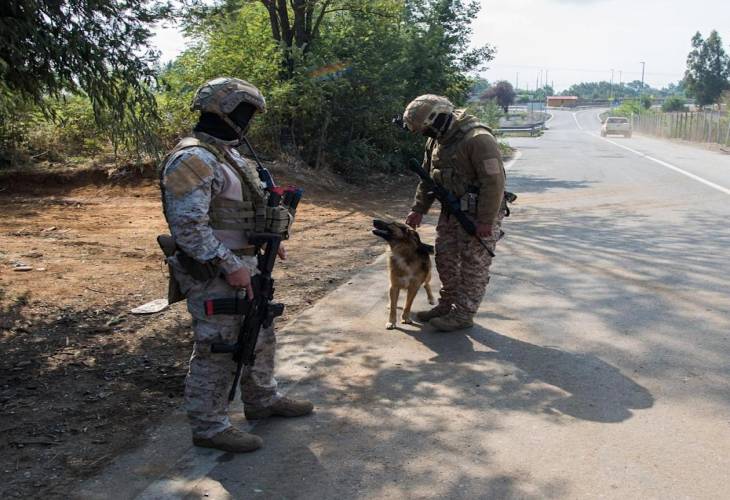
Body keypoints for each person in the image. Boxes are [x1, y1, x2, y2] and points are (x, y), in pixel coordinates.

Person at [159, 77, 313, 453]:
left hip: (246, 261)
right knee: (219, 346)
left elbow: (239, 210)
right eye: (246, 113)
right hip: (212, 271)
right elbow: (187, 227)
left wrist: (264, 240)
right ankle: (210, 426)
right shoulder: (192, 159)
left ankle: (262, 399)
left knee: (259, 334)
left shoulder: (228, 155)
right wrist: (229, 265)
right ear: (226, 112)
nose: (249, 122)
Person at [403, 94, 506, 332]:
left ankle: (464, 314)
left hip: (480, 212)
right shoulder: (438, 140)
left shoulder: (478, 139)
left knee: (473, 265)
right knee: (445, 257)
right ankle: (446, 305)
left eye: (426, 128)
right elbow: (428, 178)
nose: (425, 133)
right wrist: (418, 209)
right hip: (452, 209)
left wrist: (485, 221)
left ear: (438, 118)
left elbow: (494, 183)